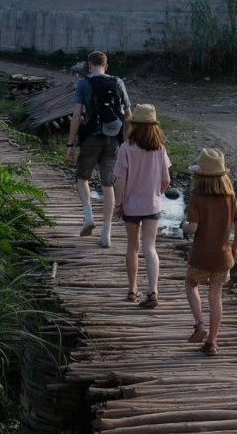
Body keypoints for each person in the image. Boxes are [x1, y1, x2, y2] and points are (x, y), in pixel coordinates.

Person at [66, 50, 131, 248]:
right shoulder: (118, 82)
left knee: (82, 178)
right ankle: (106, 233)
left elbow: (77, 116)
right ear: (106, 65)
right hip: (113, 140)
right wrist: (126, 143)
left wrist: (70, 144)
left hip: (91, 138)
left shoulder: (84, 83)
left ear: (89, 65)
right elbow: (128, 115)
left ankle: (88, 217)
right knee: (107, 185)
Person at [182, 148, 237, 356]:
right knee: (215, 296)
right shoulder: (230, 197)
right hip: (222, 258)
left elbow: (192, 228)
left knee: (191, 284)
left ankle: (199, 324)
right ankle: (212, 342)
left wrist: (184, 224)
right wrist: (233, 248)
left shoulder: (197, 198)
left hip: (200, 256)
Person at [113, 104, 171, 308]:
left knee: (133, 247)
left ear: (134, 125)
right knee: (150, 248)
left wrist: (118, 204)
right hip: (152, 204)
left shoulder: (125, 148)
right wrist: (157, 194)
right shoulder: (160, 149)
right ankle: (153, 291)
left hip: (131, 205)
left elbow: (120, 179)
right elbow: (166, 180)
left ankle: (132, 290)